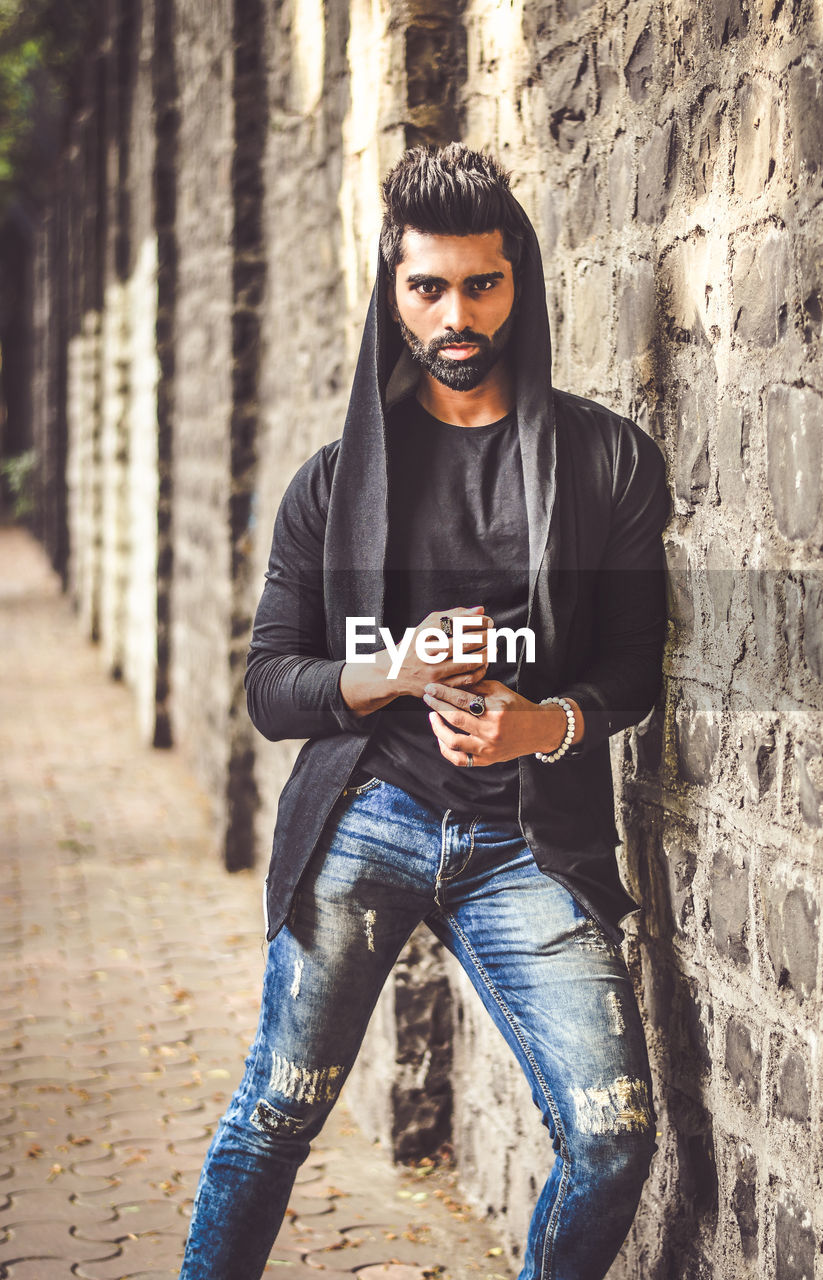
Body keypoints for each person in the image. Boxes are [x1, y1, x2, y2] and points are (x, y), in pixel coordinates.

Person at [179, 143, 670, 1280]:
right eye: (428, 287)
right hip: (371, 817)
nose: (457, 314)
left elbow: (633, 670)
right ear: (392, 293)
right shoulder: (329, 483)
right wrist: (392, 667)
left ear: (519, 284)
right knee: (275, 1114)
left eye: (482, 285)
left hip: (527, 842)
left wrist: (539, 726)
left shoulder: (605, 460)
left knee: (612, 1137)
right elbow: (272, 687)